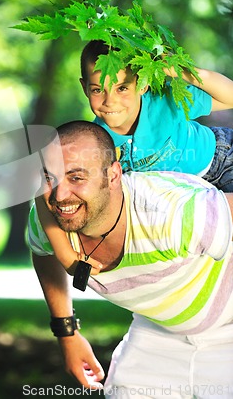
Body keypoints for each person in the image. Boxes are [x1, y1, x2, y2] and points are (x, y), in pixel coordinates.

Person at [29, 120, 233, 397]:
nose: (60, 194)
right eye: (50, 177)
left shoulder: (173, 213)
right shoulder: (50, 223)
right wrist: (67, 332)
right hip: (156, 334)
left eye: (76, 177)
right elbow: (43, 253)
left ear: (113, 175)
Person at [34, 40, 233, 275]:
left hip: (220, 159)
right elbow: (43, 186)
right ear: (85, 87)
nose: (110, 101)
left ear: (143, 84)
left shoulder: (166, 101)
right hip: (183, 195)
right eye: (98, 90)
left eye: (122, 88)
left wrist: (175, 68)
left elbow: (229, 96)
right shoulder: (95, 141)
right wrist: (66, 256)